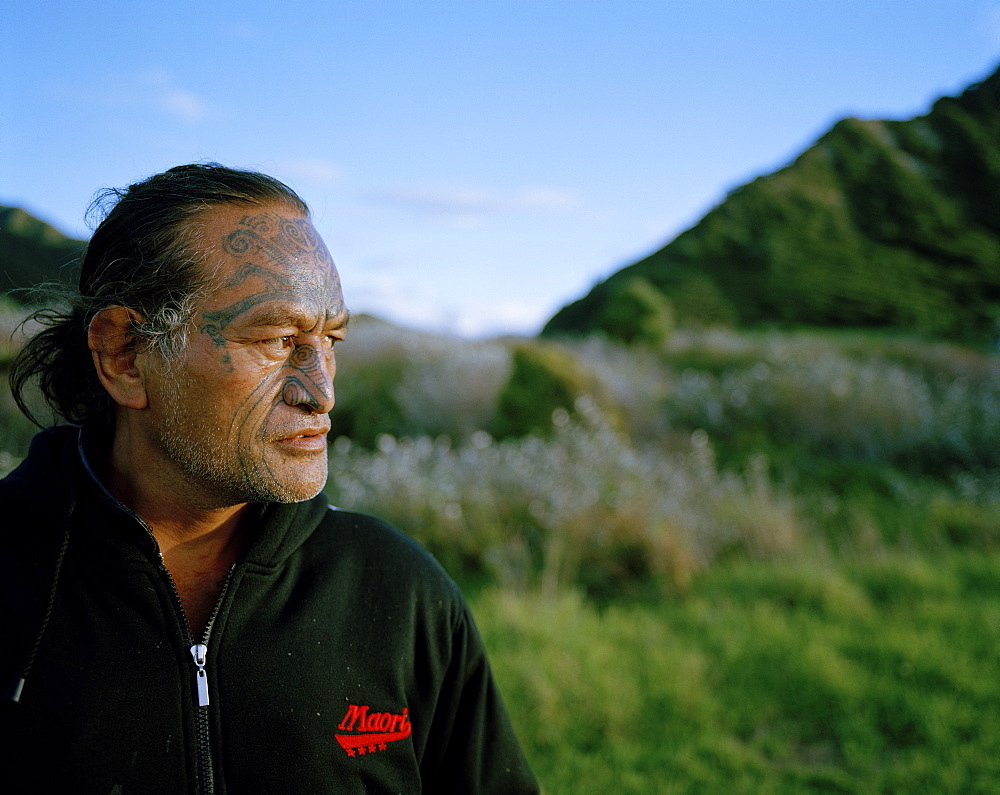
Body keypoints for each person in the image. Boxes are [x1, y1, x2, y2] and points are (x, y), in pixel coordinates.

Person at [0, 164, 538, 793]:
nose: (322, 392)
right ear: (125, 354)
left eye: (329, 338)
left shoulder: (398, 593)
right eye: (278, 338)